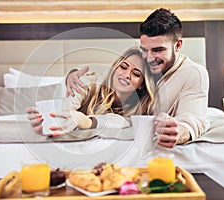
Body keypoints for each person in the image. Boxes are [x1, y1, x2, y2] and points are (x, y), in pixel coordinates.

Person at [65, 8, 210, 148]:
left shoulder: (193, 74)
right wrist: (72, 74)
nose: (150, 58)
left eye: (158, 50)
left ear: (177, 46)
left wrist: (179, 132)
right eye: (145, 50)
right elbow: (103, 78)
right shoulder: (142, 63)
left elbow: (193, 120)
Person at [27, 47, 155, 135]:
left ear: (142, 85)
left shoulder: (137, 110)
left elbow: (119, 122)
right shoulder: (88, 84)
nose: (126, 75)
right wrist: (46, 123)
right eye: (123, 67)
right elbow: (64, 112)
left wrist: (85, 121)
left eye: (136, 74)